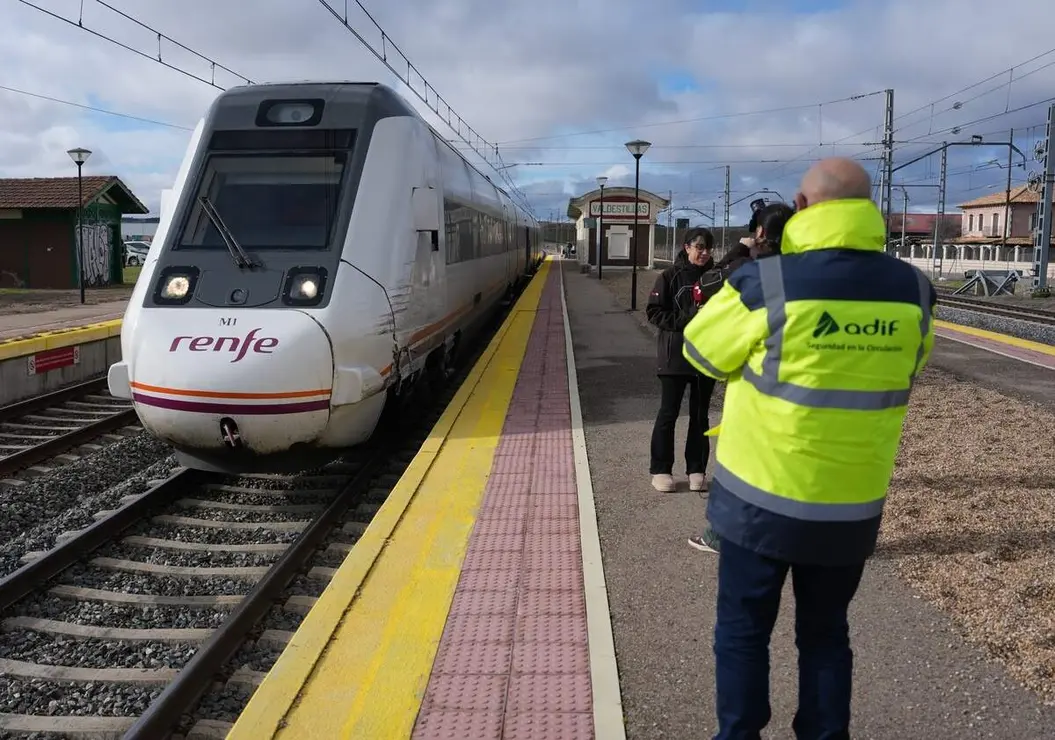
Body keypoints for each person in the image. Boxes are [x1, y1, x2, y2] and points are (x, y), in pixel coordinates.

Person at [681, 158, 937, 739]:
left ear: (800, 208)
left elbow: (700, 353)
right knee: (825, 635)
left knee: (744, 631)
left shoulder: (765, 282)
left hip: (757, 505)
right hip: (850, 507)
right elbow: (911, 366)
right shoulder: (913, 291)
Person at [687, 201, 795, 555]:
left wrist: (739, 252)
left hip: (758, 402)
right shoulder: (821, 274)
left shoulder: (751, 275)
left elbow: (703, 348)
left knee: (745, 472)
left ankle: (722, 536)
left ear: (760, 233)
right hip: (809, 408)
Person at [645, 227, 716, 493]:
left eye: (708, 247)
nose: (704, 252)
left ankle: (696, 469)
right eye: (699, 247)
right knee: (668, 413)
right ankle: (661, 470)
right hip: (674, 355)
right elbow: (654, 312)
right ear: (687, 248)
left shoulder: (716, 278)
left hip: (706, 356)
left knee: (700, 416)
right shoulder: (669, 276)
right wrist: (689, 319)